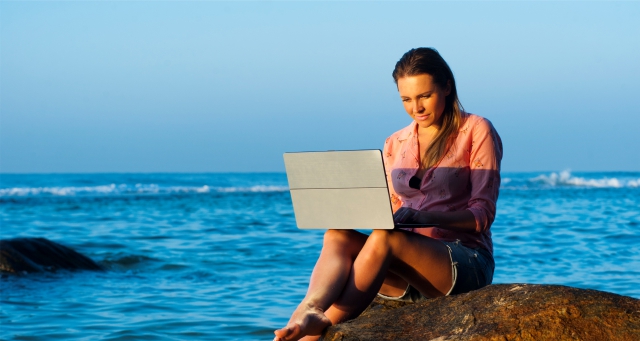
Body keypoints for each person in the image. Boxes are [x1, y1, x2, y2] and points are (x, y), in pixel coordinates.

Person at [274, 47, 502, 341]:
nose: (416, 108)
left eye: (424, 96)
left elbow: (482, 216)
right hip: (403, 273)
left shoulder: (476, 129)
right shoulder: (396, 142)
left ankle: (319, 328)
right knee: (336, 235)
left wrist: (424, 218)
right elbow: (391, 209)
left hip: (461, 263)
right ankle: (309, 309)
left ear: (447, 86)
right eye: (406, 99)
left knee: (384, 238)